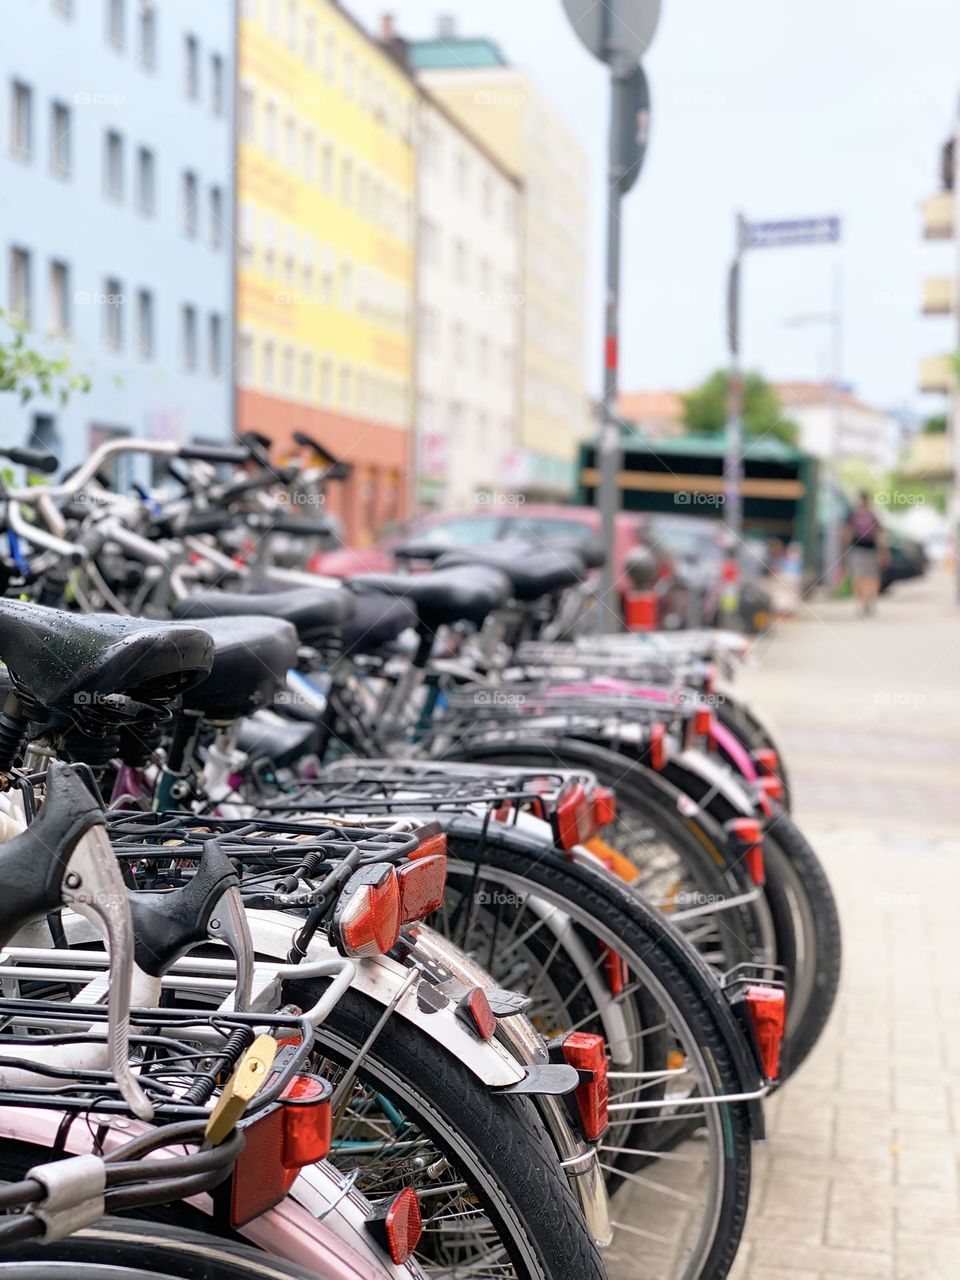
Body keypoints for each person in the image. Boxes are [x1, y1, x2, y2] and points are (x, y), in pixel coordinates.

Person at [844, 491, 886, 616]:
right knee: (872, 577)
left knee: (858, 576)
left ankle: (861, 601)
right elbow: (880, 535)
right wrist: (883, 552)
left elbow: (847, 534)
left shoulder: (853, 516)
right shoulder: (873, 516)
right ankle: (869, 598)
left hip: (857, 549)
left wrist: (845, 551)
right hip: (871, 550)